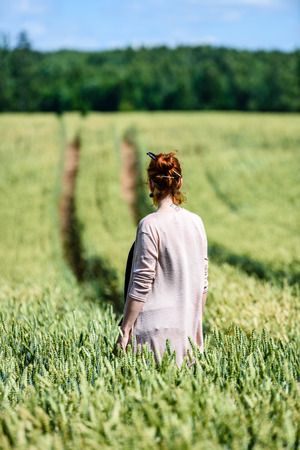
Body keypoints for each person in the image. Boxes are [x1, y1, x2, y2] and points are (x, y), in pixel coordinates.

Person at [116, 151, 208, 365]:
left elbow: (141, 283)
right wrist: (193, 322)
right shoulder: (197, 223)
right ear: (180, 183)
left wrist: (125, 328)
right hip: (187, 333)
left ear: (150, 184)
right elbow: (203, 284)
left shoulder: (149, 225)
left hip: (152, 334)